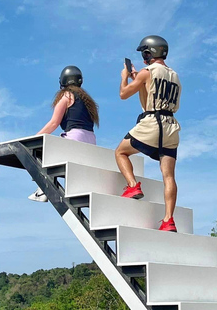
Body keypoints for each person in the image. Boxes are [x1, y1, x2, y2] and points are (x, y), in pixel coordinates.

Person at [115, 35, 181, 232]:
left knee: (120, 152)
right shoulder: (175, 76)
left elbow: (124, 94)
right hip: (172, 127)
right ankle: (168, 220)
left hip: (153, 122)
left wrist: (125, 77)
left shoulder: (147, 72)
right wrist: (139, 78)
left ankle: (133, 185)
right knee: (168, 176)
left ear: (148, 53)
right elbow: (154, 89)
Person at [28, 65, 99, 201]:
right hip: (91, 140)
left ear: (62, 82)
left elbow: (54, 123)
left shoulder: (67, 95)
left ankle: (42, 190)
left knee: (38, 152)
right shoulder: (87, 101)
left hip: (75, 137)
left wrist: (34, 137)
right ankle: (41, 189)